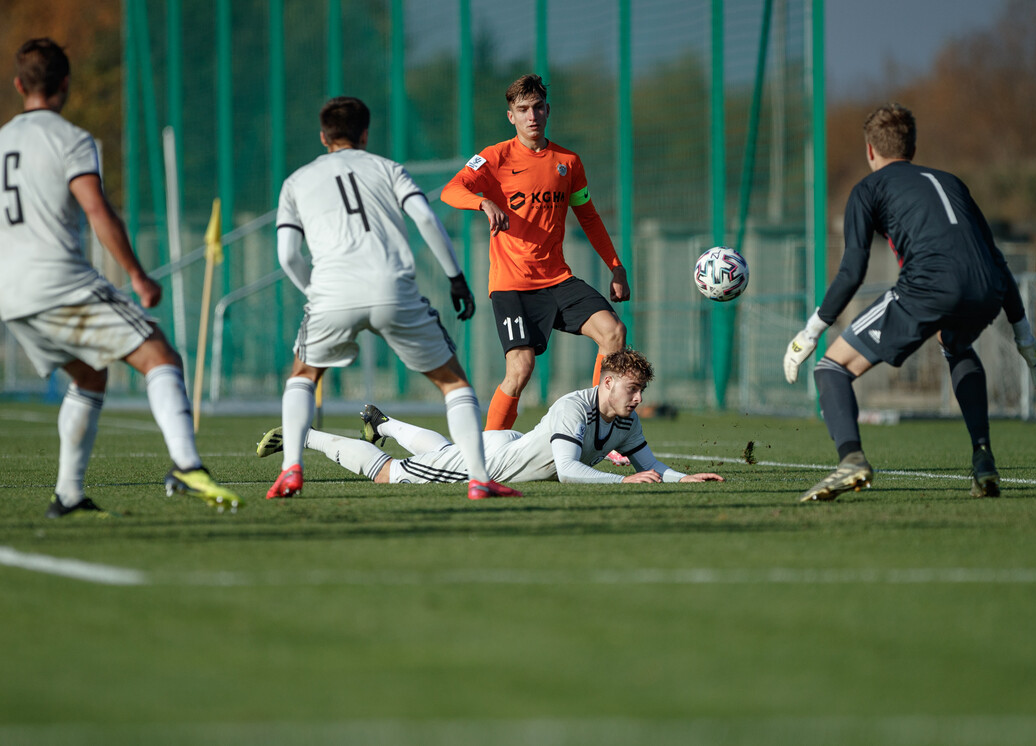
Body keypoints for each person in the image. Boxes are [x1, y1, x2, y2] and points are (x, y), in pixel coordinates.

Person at [0, 38, 240, 517]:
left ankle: (68, 495)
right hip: (58, 283)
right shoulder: (70, 139)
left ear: (19, 85)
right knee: (159, 354)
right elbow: (97, 210)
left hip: (11, 294)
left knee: (90, 374)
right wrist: (137, 274)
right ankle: (187, 465)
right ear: (65, 84)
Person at [783, 103, 1036, 502]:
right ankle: (983, 459)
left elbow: (853, 269)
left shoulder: (868, 189)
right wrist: (1025, 339)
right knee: (956, 344)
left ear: (870, 150)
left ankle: (851, 460)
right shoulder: (952, 183)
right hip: (986, 288)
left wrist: (811, 331)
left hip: (928, 286)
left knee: (831, 368)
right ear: (912, 146)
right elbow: (996, 259)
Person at [271, 96, 519, 501]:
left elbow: (287, 255)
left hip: (331, 290)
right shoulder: (388, 169)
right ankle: (478, 479)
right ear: (365, 134)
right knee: (453, 383)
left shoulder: (296, 181)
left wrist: (314, 292)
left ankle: (291, 470)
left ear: (323, 137)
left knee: (303, 377)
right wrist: (456, 278)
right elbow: (425, 217)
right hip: (393, 288)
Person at [441, 74, 634, 466]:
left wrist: (616, 267)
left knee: (613, 332)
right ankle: (486, 455)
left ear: (547, 111)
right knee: (521, 368)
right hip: (511, 283)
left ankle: (599, 429)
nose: (532, 116)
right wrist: (482, 203)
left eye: (538, 108)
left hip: (558, 279)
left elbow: (590, 217)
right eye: (523, 110)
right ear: (510, 116)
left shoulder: (568, 163)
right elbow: (450, 190)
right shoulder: (493, 158)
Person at [254, 348, 723, 490]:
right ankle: (308, 434)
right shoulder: (573, 406)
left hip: (509, 444)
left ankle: (384, 424)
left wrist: (682, 479)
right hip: (495, 463)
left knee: (441, 453)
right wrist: (623, 483)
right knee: (388, 474)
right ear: (605, 382)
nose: (639, 399)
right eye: (632, 389)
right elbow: (567, 470)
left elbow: (651, 465)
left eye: (642, 391)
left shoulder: (625, 417)